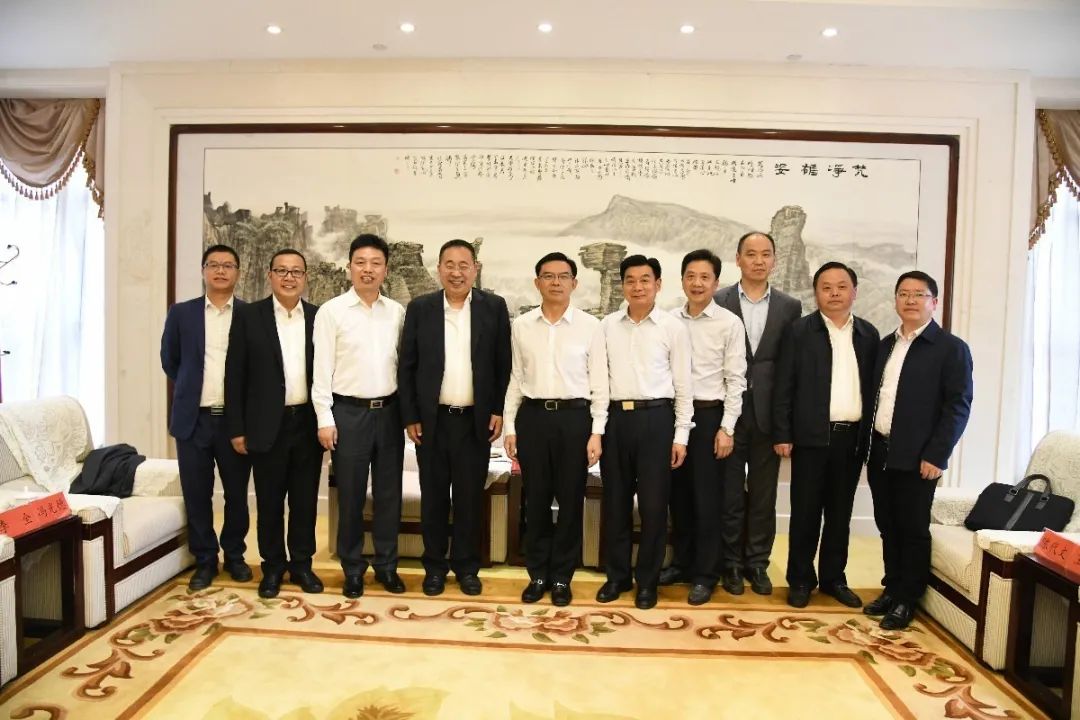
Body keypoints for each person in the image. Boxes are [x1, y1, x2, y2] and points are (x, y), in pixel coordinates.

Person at [398, 239, 511, 597]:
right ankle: (434, 568)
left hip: (474, 423)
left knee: (468, 499)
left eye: (464, 265)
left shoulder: (493, 307)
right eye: (450, 264)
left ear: (475, 269)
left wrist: (497, 410)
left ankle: (466, 568)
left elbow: (503, 364)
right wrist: (411, 416)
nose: (457, 272)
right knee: (433, 498)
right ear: (439, 269)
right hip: (432, 422)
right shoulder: (421, 308)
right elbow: (407, 366)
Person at [865, 270, 973, 630]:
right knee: (887, 524)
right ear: (896, 300)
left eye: (919, 294)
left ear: (934, 302)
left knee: (912, 527)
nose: (910, 300)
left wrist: (937, 455)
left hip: (919, 457)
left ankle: (907, 599)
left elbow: (958, 406)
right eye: (903, 294)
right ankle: (892, 587)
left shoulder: (951, 349)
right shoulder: (886, 345)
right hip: (881, 450)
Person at [772, 261, 879, 609]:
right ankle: (800, 579)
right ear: (816, 292)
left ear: (854, 292)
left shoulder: (868, 335)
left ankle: (834, 578)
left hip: (851, 438)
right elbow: (784, 386)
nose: (834, 293)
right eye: (826, 287)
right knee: (805, 513)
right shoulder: (799, 332)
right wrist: (783, 432)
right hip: (810, 438)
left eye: (842, 286)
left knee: (839, 514)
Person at [503, 252, 608, 607]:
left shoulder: (590, 327)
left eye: (563, 276)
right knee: (534, 499)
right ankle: (538, 575)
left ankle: (562, 577)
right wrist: (511, 427)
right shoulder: (522, 325)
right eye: (548, 276)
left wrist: (597, 432)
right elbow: (516, 378)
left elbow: (600, 384)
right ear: (537, 283)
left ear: (574, 283)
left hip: (575, 420)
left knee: (570, 500)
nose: (556, 282)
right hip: (533, 418)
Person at [224, 248, 324, 598]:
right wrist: (237, 428)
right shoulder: (249, 316)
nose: (289, 277)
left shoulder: (318, 317)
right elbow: (234, 375)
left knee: (304, 502)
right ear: (270, 275)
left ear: (305, 277)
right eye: (282, 270)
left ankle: (302, 565)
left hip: (307, 423)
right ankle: (272, 567)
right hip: (266, 426)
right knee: (269, 502)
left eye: (296, 271)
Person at [595, 255, 693, 610]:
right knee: (616, 503)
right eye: (631, 280)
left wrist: (681, 435)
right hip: (616, 421)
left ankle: (647, 581)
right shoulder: (606, 326)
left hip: (656, 421)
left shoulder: (672, 328)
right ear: (622, 285)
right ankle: (617, 576)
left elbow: (683, 386)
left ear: (658, 284)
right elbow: (599, 381)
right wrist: (598, 429)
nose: (637, 287)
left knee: (653, 507)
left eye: (645, 280)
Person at [312, 234, 406, 599]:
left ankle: (387, 565)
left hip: (390, 413)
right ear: (350, 267)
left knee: (388, 495)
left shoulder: (397, 312)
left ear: (386, 269)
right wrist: (325, 418)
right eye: (361, 263)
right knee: (350, 496)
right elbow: (321, 370)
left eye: (375, 263)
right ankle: (352, 569)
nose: (368, 270)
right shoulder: (332, 312)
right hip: (348, 414)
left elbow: (404, 367)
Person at [160, 244, 252, 590]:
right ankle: (205, 559)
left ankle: (235, 555)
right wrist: (191, 387)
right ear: (203, 271)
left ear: (238, 273)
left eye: (228, 265)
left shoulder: (249, 315)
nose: (220, 271)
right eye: (213, 264)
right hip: (193, 419)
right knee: (197, 493)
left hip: (234, 421)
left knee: (236, 494)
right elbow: (170, 360)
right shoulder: (181, 313)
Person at [714, 231, 801, 596]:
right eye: (751, 254)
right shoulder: (719, 299)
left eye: (766, 254)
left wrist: (786, 426)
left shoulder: (789, 306)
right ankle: (731, 564)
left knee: (764, 497)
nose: (758, 260)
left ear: (774, 261)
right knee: (730, 495)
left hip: (769, 415)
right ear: (738, 259)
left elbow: (791, 367)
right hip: (728, 414)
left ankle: (757, 563)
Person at [661, 249, 746, 605]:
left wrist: (727, 428)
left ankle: (706, 574)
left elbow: (736, 380)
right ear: (682, 280)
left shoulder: (729, 323)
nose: (697, 283)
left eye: (705, 277)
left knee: (708, 500)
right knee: (678, 495)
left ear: (716, 282)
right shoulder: (668, 320)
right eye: (691, 276)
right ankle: (682, 563)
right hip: (672, 417)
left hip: (710, 417)